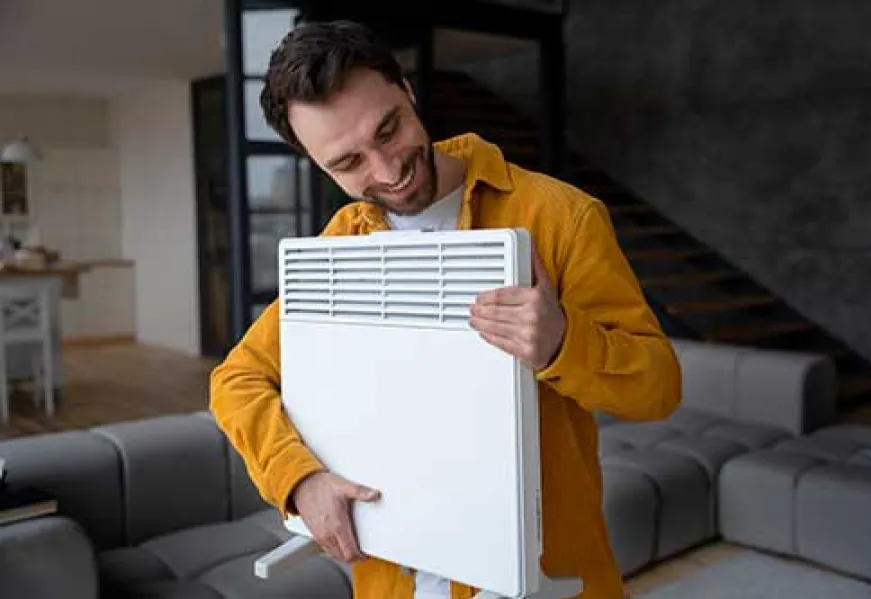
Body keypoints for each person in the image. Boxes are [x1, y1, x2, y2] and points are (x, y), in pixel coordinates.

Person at [209, 19, 682, 599]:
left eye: (389, 129)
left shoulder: (561, 217)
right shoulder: (339, 246)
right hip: (393, 579)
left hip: (547, 577)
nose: (386, 171)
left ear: (406, 90)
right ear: (315, 164)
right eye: (348, 163)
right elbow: (236, 379)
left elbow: (657, 388)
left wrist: (563, 342)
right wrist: (299, 478)